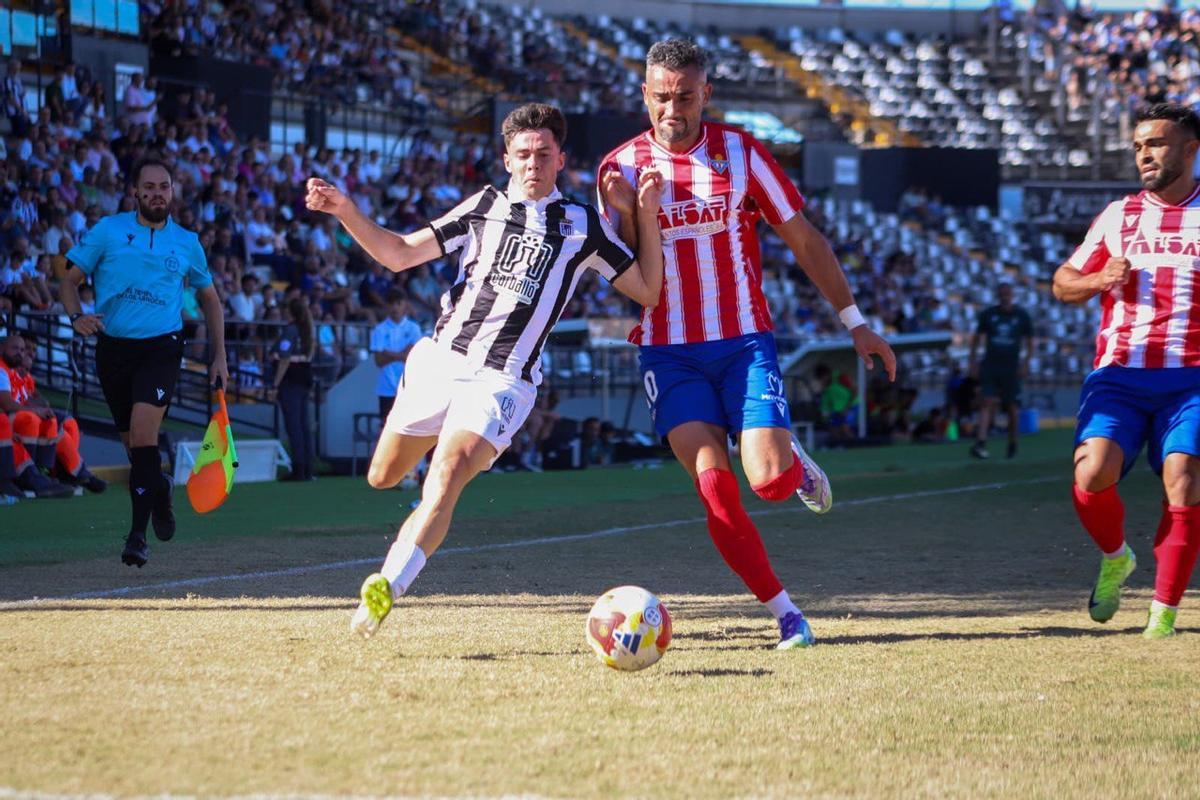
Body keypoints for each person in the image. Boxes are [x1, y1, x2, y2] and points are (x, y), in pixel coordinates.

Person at [305, 102, 665, 638]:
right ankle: (432, 449)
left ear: (561, 159)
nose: (533, 163)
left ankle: (387, 587)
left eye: (544, 153)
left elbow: (648, 291)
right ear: (506, 158)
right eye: (523, 153)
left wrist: (646, 215)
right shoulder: (483, 206)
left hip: (505, 377)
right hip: (440, 361)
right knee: (382, 477)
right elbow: (399, 254)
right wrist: (345, 210)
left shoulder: (582, 226)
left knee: (446, 475)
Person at [597, 39, 896, 649]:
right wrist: (632, 214)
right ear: (644, 95)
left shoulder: (741, 153)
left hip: (743, 343)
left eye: (684, 96)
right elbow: (628, 279)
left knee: (765, 481)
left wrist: (855, 321)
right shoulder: (617, 170)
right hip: (668, 351)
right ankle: (788, 613)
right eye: (660, 97)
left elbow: (805, 240)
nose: (672, 108)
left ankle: (793, 465)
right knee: (714, 485)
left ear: (706, 93)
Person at [1052, 102, 1200, 640]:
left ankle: (1162, 616)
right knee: (1091, 475)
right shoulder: (1118, 216)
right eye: (1138, 146)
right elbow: (1063, 282)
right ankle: (1117, 558)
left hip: (1192, 376)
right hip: (1118, 374)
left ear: (1189, 148)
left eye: (1156, 143)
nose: (1144, 155)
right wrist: (1099, 280)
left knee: (1182, 478)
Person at [61, 158, 229, 568]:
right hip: (113, 350)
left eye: (164, 186)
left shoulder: (187, 242)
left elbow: (210, 299)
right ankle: (161, 488)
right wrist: (75, 316)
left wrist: (219, 354)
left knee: (143, 434)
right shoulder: (108, 231)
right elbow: (68, 280)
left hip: (161, 348)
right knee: (137, 451)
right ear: (134, 192)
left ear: (173, 192)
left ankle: (137, 537)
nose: (157, 193)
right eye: (149, 186)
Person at [0, 335, 74, 499]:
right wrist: (35, 410)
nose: (21, 353)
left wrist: (38, 405)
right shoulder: (2, 370)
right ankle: (29, 478)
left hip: (8, 421)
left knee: (61, 421)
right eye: (15, 349)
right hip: (10, 419)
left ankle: (42, 474)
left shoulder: (10, 371)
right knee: (28, 420)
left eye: (22, 350)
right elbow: (7, 404)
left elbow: (35, 397)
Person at [968, 283, 1034, 459]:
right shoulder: (989, 315)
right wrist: (973, 361)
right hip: (991, 364)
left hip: (1011, 366)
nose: (1004, 296)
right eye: (1002, 293)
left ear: (1012, 295)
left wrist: (1026, 363)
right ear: (998, 295)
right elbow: (977, 339)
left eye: (1007, 293)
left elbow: (1029, 342)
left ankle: (1013, 442)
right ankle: (980, 442)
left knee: (1012, 406)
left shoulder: (1021, 316)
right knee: (987, 401)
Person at [271, 297, 315, 481]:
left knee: (294, 426)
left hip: (290, 381)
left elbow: (284, 358)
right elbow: (309, 354)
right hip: (304, 379)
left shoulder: (290, 330)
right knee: (304, 426)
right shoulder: (308, 331)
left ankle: (299, 469)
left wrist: (275, 384)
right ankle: (308, 468)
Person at [369, 291, 423, 418]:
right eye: (391, 304)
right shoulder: (379, 329)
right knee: (384, 429)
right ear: (387, 306)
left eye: (398, 303)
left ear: (405, 305)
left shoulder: (414, 328)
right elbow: (379, 362)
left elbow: (413, 358)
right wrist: (403, 354)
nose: (395, 307)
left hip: (408, 388)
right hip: (386, 389)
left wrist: (387, 352)